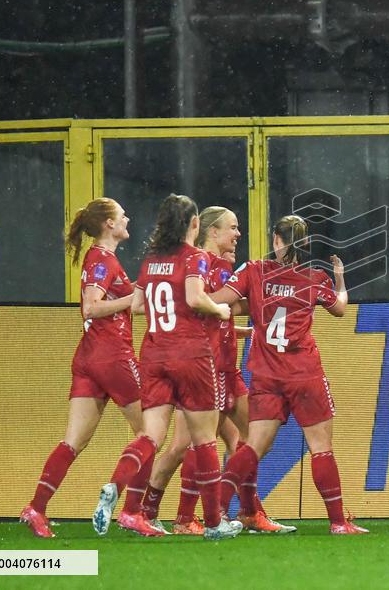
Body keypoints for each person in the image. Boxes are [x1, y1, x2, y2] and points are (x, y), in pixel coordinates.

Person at [93, 194, 242, 541]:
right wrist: (218, 310)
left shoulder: (151, 259)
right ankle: (214, 523)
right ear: (194, 224)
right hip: (190, 355)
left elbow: (138, 305)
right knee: (204, 440)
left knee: (150, 437)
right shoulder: (195, 257)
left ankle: (118, 489)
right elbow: (194, 297)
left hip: (154, 355)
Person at [138, 207, 294, 535]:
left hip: (226, 368)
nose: (238, 234)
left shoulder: (216, 265)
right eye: (232, 228)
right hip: (204, 369)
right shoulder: (201, 263)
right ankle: (170, 515)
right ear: (212, 231)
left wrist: (238, 328)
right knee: (189, 446)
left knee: (246, 439)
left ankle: (245, 511)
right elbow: (207, 307)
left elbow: (214, 312)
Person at [213, 215, 367, 535]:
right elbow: (340, 309)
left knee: (252, 447)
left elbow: (220, 301)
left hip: (266, 375)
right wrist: (340, 279)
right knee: (320, 447)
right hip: (304, 374)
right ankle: (338, 522)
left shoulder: (254, 270)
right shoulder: (315, 278)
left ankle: (217, 513)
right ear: (306, 243)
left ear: (276, 240)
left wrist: (190, 294)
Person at [21, 198, 149, 538]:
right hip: (113, 357)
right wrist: (134, 298)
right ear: (109, 224)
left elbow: (130, 304)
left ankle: (36, 508)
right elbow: (92, 307)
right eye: (122, 215)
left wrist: (150, 291)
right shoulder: (102, 259)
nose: (127, 219)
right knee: (149, 434)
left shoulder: (104, 259)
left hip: (89, 358)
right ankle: (131, 510)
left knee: (73, 441)